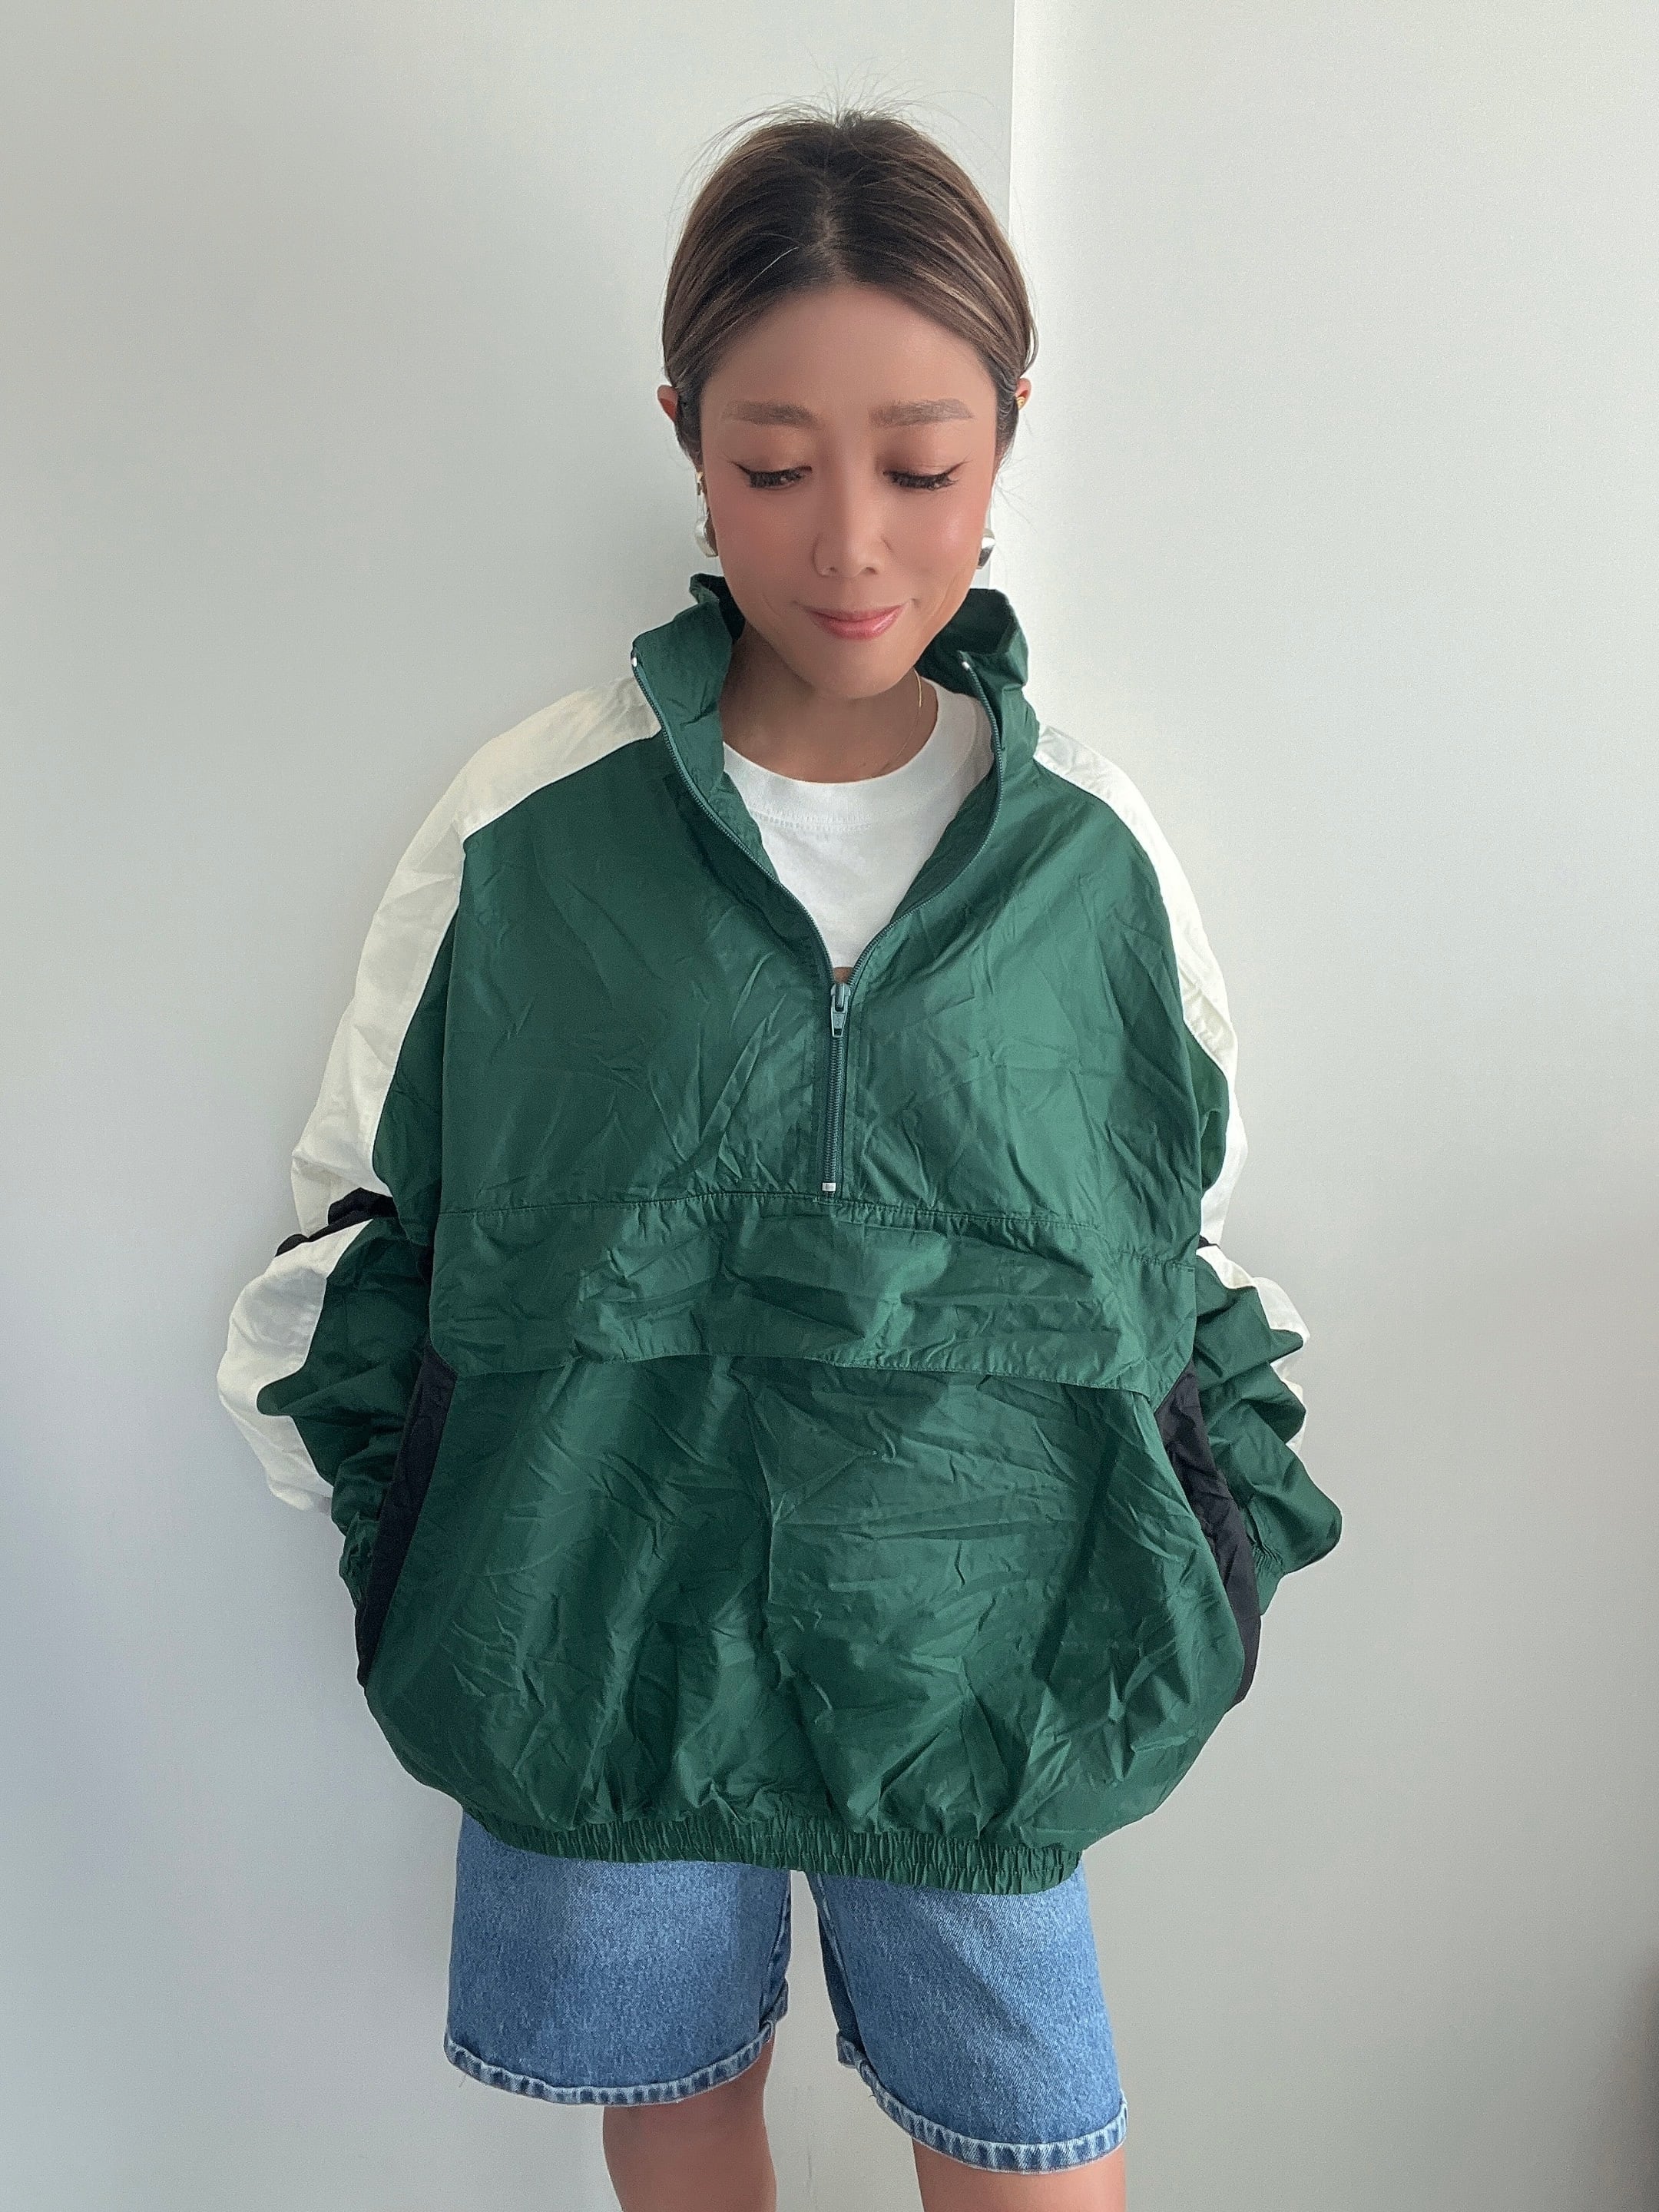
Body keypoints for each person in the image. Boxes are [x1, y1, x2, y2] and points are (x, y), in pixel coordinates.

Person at [217, 101, 1342, 2211]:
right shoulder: (525, 826)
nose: (850, 550)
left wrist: (1196, 1568)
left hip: (986, 1672)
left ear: (1009, 437)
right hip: (597, 1652)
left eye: (920, 466)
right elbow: (359, 1231)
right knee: (678, 2125)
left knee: (1035, 2156)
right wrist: (428, 1540)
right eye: (772, 465)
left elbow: (1188, 1265)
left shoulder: (1090, 857)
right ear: (684, 437)